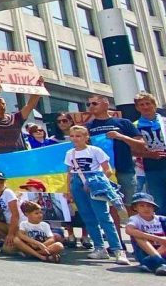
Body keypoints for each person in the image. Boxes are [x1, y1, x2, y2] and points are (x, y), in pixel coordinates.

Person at [65, 124, 129, 264]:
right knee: (87, 217)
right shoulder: (70, 153)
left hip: (95, 182)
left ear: (86, 137)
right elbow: (69, 173)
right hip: (77, 182)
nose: (75, 139)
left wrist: (96, 182)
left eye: (79, 136)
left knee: (103, 216)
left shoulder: (95, 150)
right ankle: (99, 248)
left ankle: (118, 249)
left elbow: (108, 170)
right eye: (73, 136)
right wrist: (69, 191)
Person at [109, 91, 166, 210]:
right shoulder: (134, 126)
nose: (145, 107)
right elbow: (130, 150)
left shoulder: (164, 122)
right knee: (158, 200)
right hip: (151, 167)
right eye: (141, 104)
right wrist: (149, 155)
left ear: (154, 104)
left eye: (148, 103)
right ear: (137, 108)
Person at [84, 94, 139, 204]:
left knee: (131, 204)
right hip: (102, 172)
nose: (91, 106)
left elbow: (141, 145)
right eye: (88, 104)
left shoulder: (124, 122)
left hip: (124, 169)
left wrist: (121, 137)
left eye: (94, 103)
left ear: (106, 104)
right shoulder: (87, 127)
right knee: (110, 206)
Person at [124, 192, 166, 275]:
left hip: (162, 250)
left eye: (149, 206)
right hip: (143, 252)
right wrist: (158, 238)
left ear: (154, 208)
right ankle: (159, 262)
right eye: (142, 206)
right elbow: (128, 230)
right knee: (138, 236)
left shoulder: (161, 219)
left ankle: (149, 262)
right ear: (135, 208)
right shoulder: (135, 219)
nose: (146, 208)